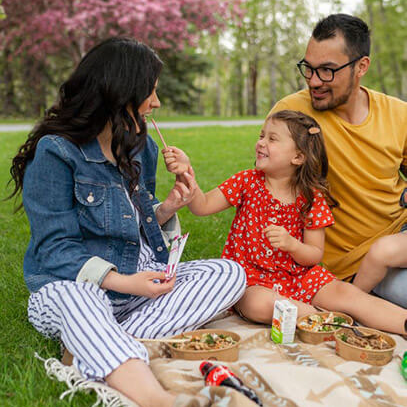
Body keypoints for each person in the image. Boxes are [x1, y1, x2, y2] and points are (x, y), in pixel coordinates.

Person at [9, 37, 246, 407]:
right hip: (72, 287)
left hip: (137, 285)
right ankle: (163, 405)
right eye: (149, 90)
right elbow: (54, 250)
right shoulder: (55, 152)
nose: (156, 102)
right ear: (121, 93)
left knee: (229, 273)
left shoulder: (140, 146)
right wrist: (121, 281)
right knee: (79, 299)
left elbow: (139, 223)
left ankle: (94, 344)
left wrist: (170, 205)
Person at [163, 110, 407, 334]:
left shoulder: (311, 197)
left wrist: (292, 244)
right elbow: (201, 206)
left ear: (298, 157)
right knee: (261, 305)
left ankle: (399, 323)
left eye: (272, 139)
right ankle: (321, 320)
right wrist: (186, 174)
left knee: (348, 293)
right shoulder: (247, 182)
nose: (261, 142)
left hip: (299, 277)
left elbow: (313, 255)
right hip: (251, 280)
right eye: (261, 135)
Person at [269, 14, 407, 308]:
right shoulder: (291, 115)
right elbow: (267, 192)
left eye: (328, 71)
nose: (314, 81)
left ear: (361, 66)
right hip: (355, 265)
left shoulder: (398, 114)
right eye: (309, 69)